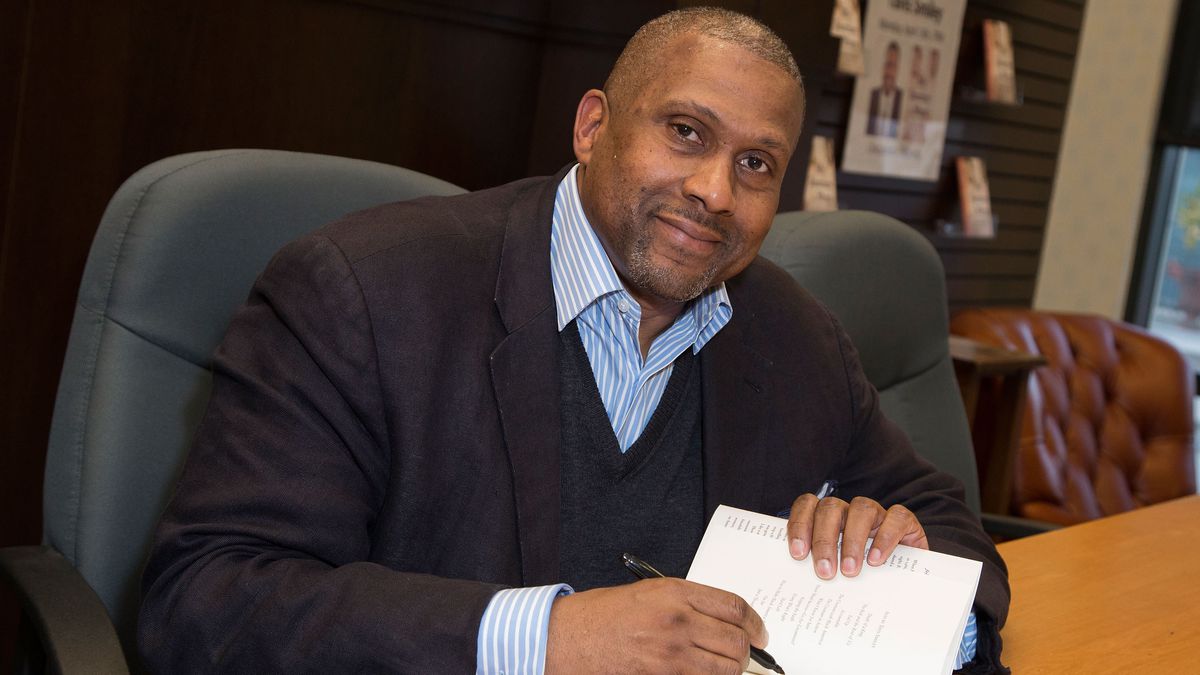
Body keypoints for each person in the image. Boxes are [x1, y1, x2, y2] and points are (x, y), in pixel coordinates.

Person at [138, 8, 1008, 674]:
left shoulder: (795, 334)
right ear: (593, 126)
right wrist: (544, 636)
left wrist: (897, 570)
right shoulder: (361, 293)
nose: (713, 190)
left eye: (756, 165)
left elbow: (955, 539)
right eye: (687, 132)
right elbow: (205, 601)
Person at [867, 41, 903, 137]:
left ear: (898, 69)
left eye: (893, 65)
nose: (889, 71)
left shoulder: (902, 99)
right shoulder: (872, 96)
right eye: (887, 64)